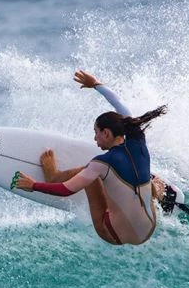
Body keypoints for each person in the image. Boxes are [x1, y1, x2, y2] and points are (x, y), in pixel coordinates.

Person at [12, 70, 176, 246]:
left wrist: (33, 185)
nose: (94, 138)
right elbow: (119, 103)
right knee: (147, 178)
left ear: (106, 133)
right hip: (148, 230)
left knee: (90, 175)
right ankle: (159, 192)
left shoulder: (101, 163)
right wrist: (96, 84)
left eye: (96, 133)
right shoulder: (138, 138)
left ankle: (54, 176)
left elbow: (66, 190)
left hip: (115, 235)